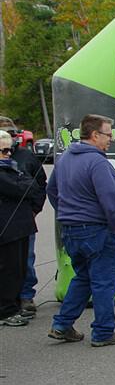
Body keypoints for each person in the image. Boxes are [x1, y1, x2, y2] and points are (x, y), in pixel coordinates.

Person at [46, 114, 115, 346]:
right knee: (104, 281)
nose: (111, 139)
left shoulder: (64, 158)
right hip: (97, 231)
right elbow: (111, 201)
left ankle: (62, 324)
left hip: (71, 229)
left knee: (83, 277)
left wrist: (68, 213)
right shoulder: (98, 162)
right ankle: (103, 331)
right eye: (108, 134)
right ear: (95, 135)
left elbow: (52, 191)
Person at [0, 130, 44, 326]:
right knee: (9, 269)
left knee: (19, 268)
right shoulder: (5, 172)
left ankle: (17, 304)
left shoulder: (18, 163)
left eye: (10, 150)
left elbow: (35, 184)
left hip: (21, 225)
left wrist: (35, 206)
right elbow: (22, 187)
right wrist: (23, 181)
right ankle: (7, 310)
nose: (8, 155)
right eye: (3, 151)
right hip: (7, 227)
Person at [10, 130, 47, 316]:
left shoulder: (26, 157)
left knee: (25, 259)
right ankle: (7, 300)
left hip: (23, 218)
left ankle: (25, 296)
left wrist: (34, 209)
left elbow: (41, 184)